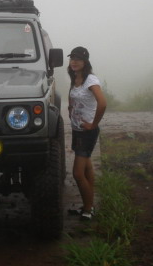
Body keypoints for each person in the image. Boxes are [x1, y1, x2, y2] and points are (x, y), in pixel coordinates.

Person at [67, 46, 107, 221]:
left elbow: (102, 103)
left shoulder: (90, 79)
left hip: (86, 132)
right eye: (72, 58)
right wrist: (70, 108)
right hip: (77, 130)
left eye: (78, 59)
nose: (74, 61)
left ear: (85, 62)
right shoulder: (75, 77)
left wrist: (93, 124)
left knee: (77, 173)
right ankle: (88, 206)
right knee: (87, 167)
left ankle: (88, 209)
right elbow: (73, 96)